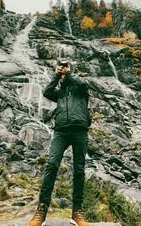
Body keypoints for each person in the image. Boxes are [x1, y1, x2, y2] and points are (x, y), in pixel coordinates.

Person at [29, 59, 91, 226]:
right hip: (61, 130)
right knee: (51, 165)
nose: (63, 71)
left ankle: (77, 212)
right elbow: (47, 92)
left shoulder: (81, 89)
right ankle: (41, 210)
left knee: (79, 170)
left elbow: (82, 82)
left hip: (79, 130)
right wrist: (56, 76)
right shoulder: (60, 94)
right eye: (61, 68)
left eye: (65, 69)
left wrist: (68, 72)